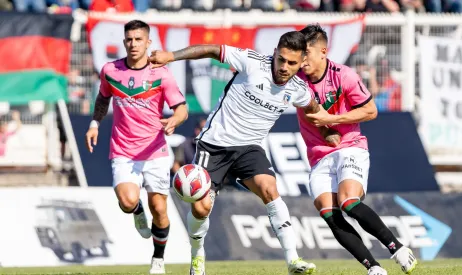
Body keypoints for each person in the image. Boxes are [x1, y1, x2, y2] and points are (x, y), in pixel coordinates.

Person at [149, 31, 318, 275]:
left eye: (292, 63)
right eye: (281, 59)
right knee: (201, 208)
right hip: (214, 145)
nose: (284, 67)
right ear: (275, 53)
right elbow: (211, 50)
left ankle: (293, 260)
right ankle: (197, 256)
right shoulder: (251, 63)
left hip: (250, 148)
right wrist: (171, 56)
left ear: (302, 62)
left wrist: (331, 130)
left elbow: (314, 109)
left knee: (270, 189)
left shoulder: (299, 90)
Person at [297, 24, 418, 275]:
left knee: (349, 202)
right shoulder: (296, 80)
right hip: (319, 157)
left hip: (349, 147)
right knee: (330, 215)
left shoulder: (344, 75)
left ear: (323, 51)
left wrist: (331, 120)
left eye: (306, 53)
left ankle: (396, 248)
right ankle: (373, 268)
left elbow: (370, 111)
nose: (302, 59)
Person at [85, 20, 188, 274]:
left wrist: (175, 119)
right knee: (128, 201)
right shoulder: (110, 70)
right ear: (123, 42)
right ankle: (136, 210)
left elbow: (181, 108)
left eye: (138, 39)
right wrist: (95, 124)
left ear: (148, 42)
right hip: (124, 150)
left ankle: (158, 258)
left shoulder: (161, 73)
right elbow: (103, 97)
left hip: (155, 151)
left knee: (160, 209)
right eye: (129, 39)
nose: (133, 44)